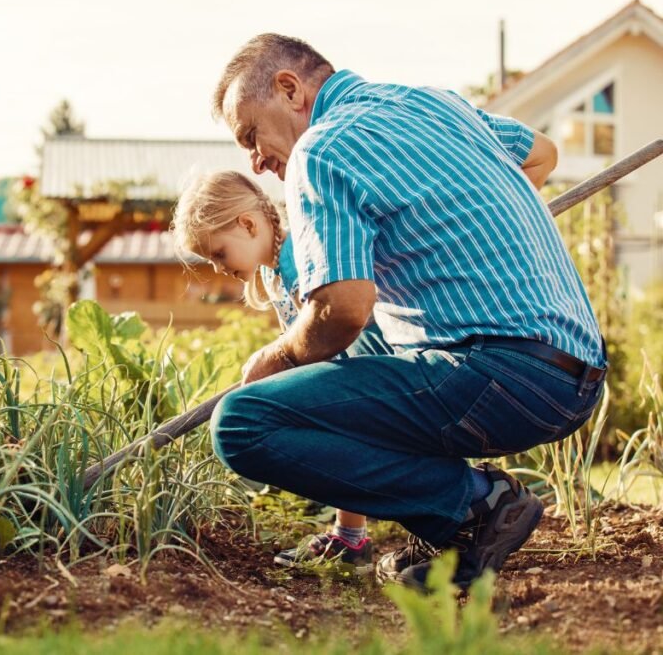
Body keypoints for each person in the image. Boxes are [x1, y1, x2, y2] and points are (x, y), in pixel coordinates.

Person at [207, 33, 607, 589]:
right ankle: (457, 529)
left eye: (250, 134)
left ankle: (475, 506)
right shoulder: (438, 103)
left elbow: (341, 311)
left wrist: (272, 361)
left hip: (500, 374)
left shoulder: (321, 150)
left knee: (245, 422)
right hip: (577, 373)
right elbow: (541, 151)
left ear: (289, 88)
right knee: (372, 357)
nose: (254, 157)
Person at [173, 170, 374, 573]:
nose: (217, 268)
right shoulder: (273, 268)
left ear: (248, 225)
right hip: (339, 374)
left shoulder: (298, 259)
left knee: (325, 436)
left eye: (218, 254)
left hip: (359, 371)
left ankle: (361, 536)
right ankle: (351, 539)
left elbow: (332, 334)